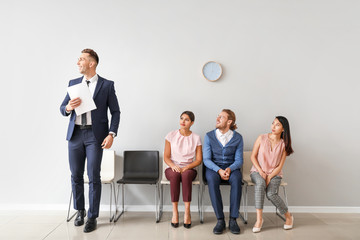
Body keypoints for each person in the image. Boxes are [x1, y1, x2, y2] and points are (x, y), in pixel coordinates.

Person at [60, 49, 120, 233]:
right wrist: (68, 107)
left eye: (81, 59)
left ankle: (92, 216)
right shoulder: (73, 83)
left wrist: (111, 134)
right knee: (76, 175)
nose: (78, 62)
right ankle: (80, 211)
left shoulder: (107, 85)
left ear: (91, 63)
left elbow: (116, 112)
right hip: (75, 135)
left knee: (94, 176)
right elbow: (62, 108)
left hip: (96, 137)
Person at [250, 116, 294, 233]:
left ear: (283, 129)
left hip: (275, 174)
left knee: (271, 194)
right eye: (273, 123)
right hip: (257, 171)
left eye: (277, 125)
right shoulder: (261, 138)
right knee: (260, 184)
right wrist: (261, 171)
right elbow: (253, 156)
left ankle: (288, 216)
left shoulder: (284, 144)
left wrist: (269, 176)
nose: (273, 126)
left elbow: (280, 166)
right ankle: (259, 220)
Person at [203, 109, 244, 235]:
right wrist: (219, 170)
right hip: (213, 168)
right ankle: (220, 220)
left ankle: (233, 219)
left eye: (221, 117)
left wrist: (230, 169)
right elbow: (206, 159)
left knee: (237, 180)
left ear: (229, 121)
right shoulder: (209, 136)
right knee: (212, 179)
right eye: (218, 116)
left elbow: (239, 160)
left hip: (232, 168)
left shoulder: (238, 137)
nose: (217, 119)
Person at [163, 111, 202, 229]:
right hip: (172, 168)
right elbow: (166, 156)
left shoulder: (196, 138)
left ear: (192, 122)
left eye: (186, 119)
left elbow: (199, 160)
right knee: (175, 175)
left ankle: (187, 212)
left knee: (185, 175)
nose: (183, 121)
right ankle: (175, 212)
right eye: (181, 118)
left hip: (189, 168)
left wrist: (187, 167)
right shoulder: (171, 135)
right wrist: (173, 165)